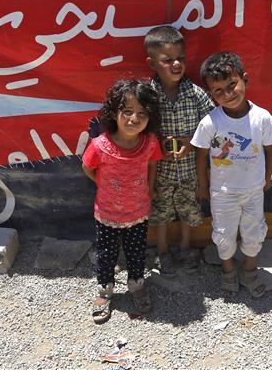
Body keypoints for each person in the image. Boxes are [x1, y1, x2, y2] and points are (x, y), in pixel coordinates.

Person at [191, 52, 272, 298]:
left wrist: (268, 176)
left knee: (254, 233)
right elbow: (201, 156)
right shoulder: (210, 123)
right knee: (223, 235)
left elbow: (271, 149)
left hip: (254, 190)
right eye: (218, 90)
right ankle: (229, 270)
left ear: (245, 79)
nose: (227, 94)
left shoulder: (262, 118)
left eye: (231, 85)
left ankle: (250, 271)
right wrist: (203, 186)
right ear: (211, 94)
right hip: (222, 194)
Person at [81, 79, 162, 323]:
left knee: (137, 253)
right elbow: (88, 167)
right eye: (127, 111)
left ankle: (137, 286)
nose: (133, 119)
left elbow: (152, 164)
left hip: (138, 212)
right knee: (106, 254)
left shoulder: (149, 143)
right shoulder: (100, 145)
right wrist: (104, 185)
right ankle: (105, 291)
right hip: (107, 213)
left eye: (141, 114)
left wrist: (149, 187)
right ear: (114, 112)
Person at [144, 26, 214, 276]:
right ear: (152, 63)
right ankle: (162, 250)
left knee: (188, 210)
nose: (176, 64)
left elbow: (213, 129)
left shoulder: (196, 95)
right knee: (160, 211)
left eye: (180, 59)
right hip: (159, 171)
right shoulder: (147, 96)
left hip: (188, 171)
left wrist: (190, 141)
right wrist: (157, 143)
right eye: (168, 60)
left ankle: (186, 248)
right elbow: (140, 131)